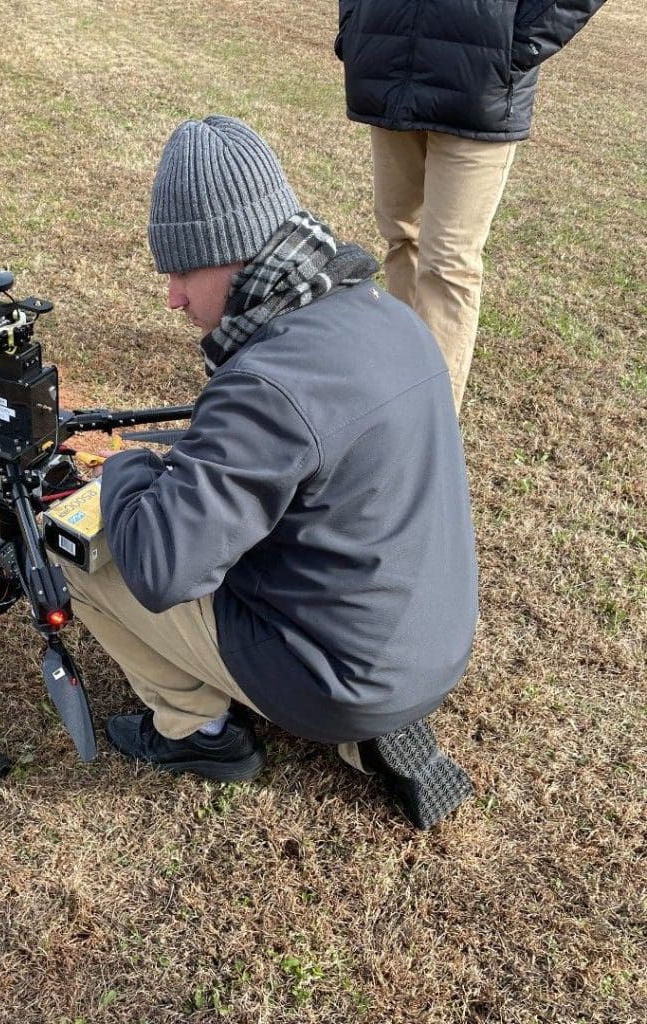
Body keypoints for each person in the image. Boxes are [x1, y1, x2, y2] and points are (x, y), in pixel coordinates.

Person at [63, 115, 479, 830]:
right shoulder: (385, 312)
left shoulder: (268, 383)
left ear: (231, 255)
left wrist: (125, 467)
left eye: (182, 270)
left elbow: (162, 568)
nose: (172, 297)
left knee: (73, 548)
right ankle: (369, 729)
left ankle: (195, 732)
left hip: (346, 675)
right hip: (437, 643)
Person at [334, 0, 606, 412]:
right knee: (400, 238)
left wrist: (519, 41)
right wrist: (354, 25)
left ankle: (430, 420)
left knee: (448, 262)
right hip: (388, 61)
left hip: (481, 80)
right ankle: (399, 389)